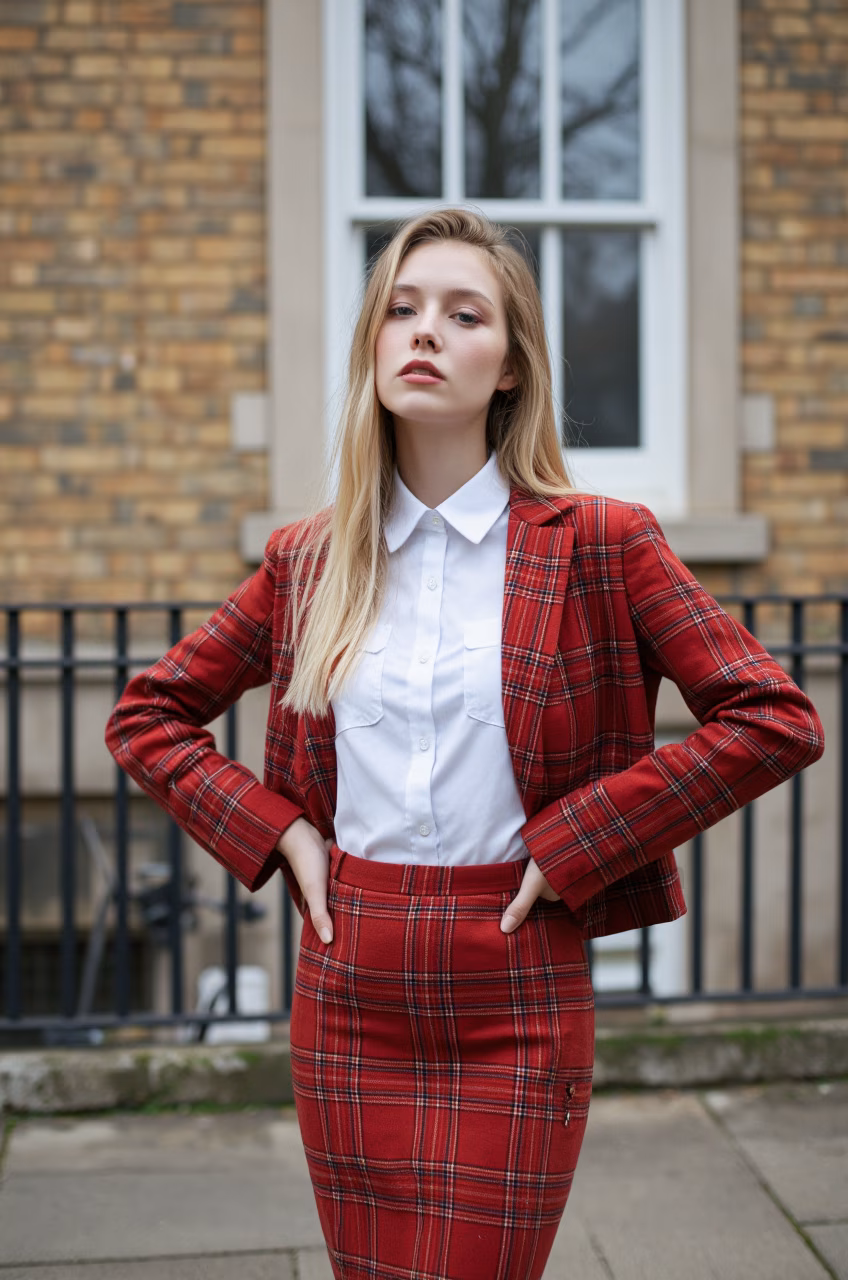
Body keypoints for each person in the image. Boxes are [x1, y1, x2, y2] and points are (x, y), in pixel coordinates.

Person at [106, 207, 824, 1280]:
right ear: (372, 347)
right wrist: (282, 836)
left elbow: (773, 717)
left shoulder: (599, 541)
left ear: (508, 366)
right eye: (399, 309)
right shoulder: (308, 560)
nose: (423, 332)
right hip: (348, 981)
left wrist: (574, 840)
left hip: (515, 976)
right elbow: (145, 716)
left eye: (460, 312)